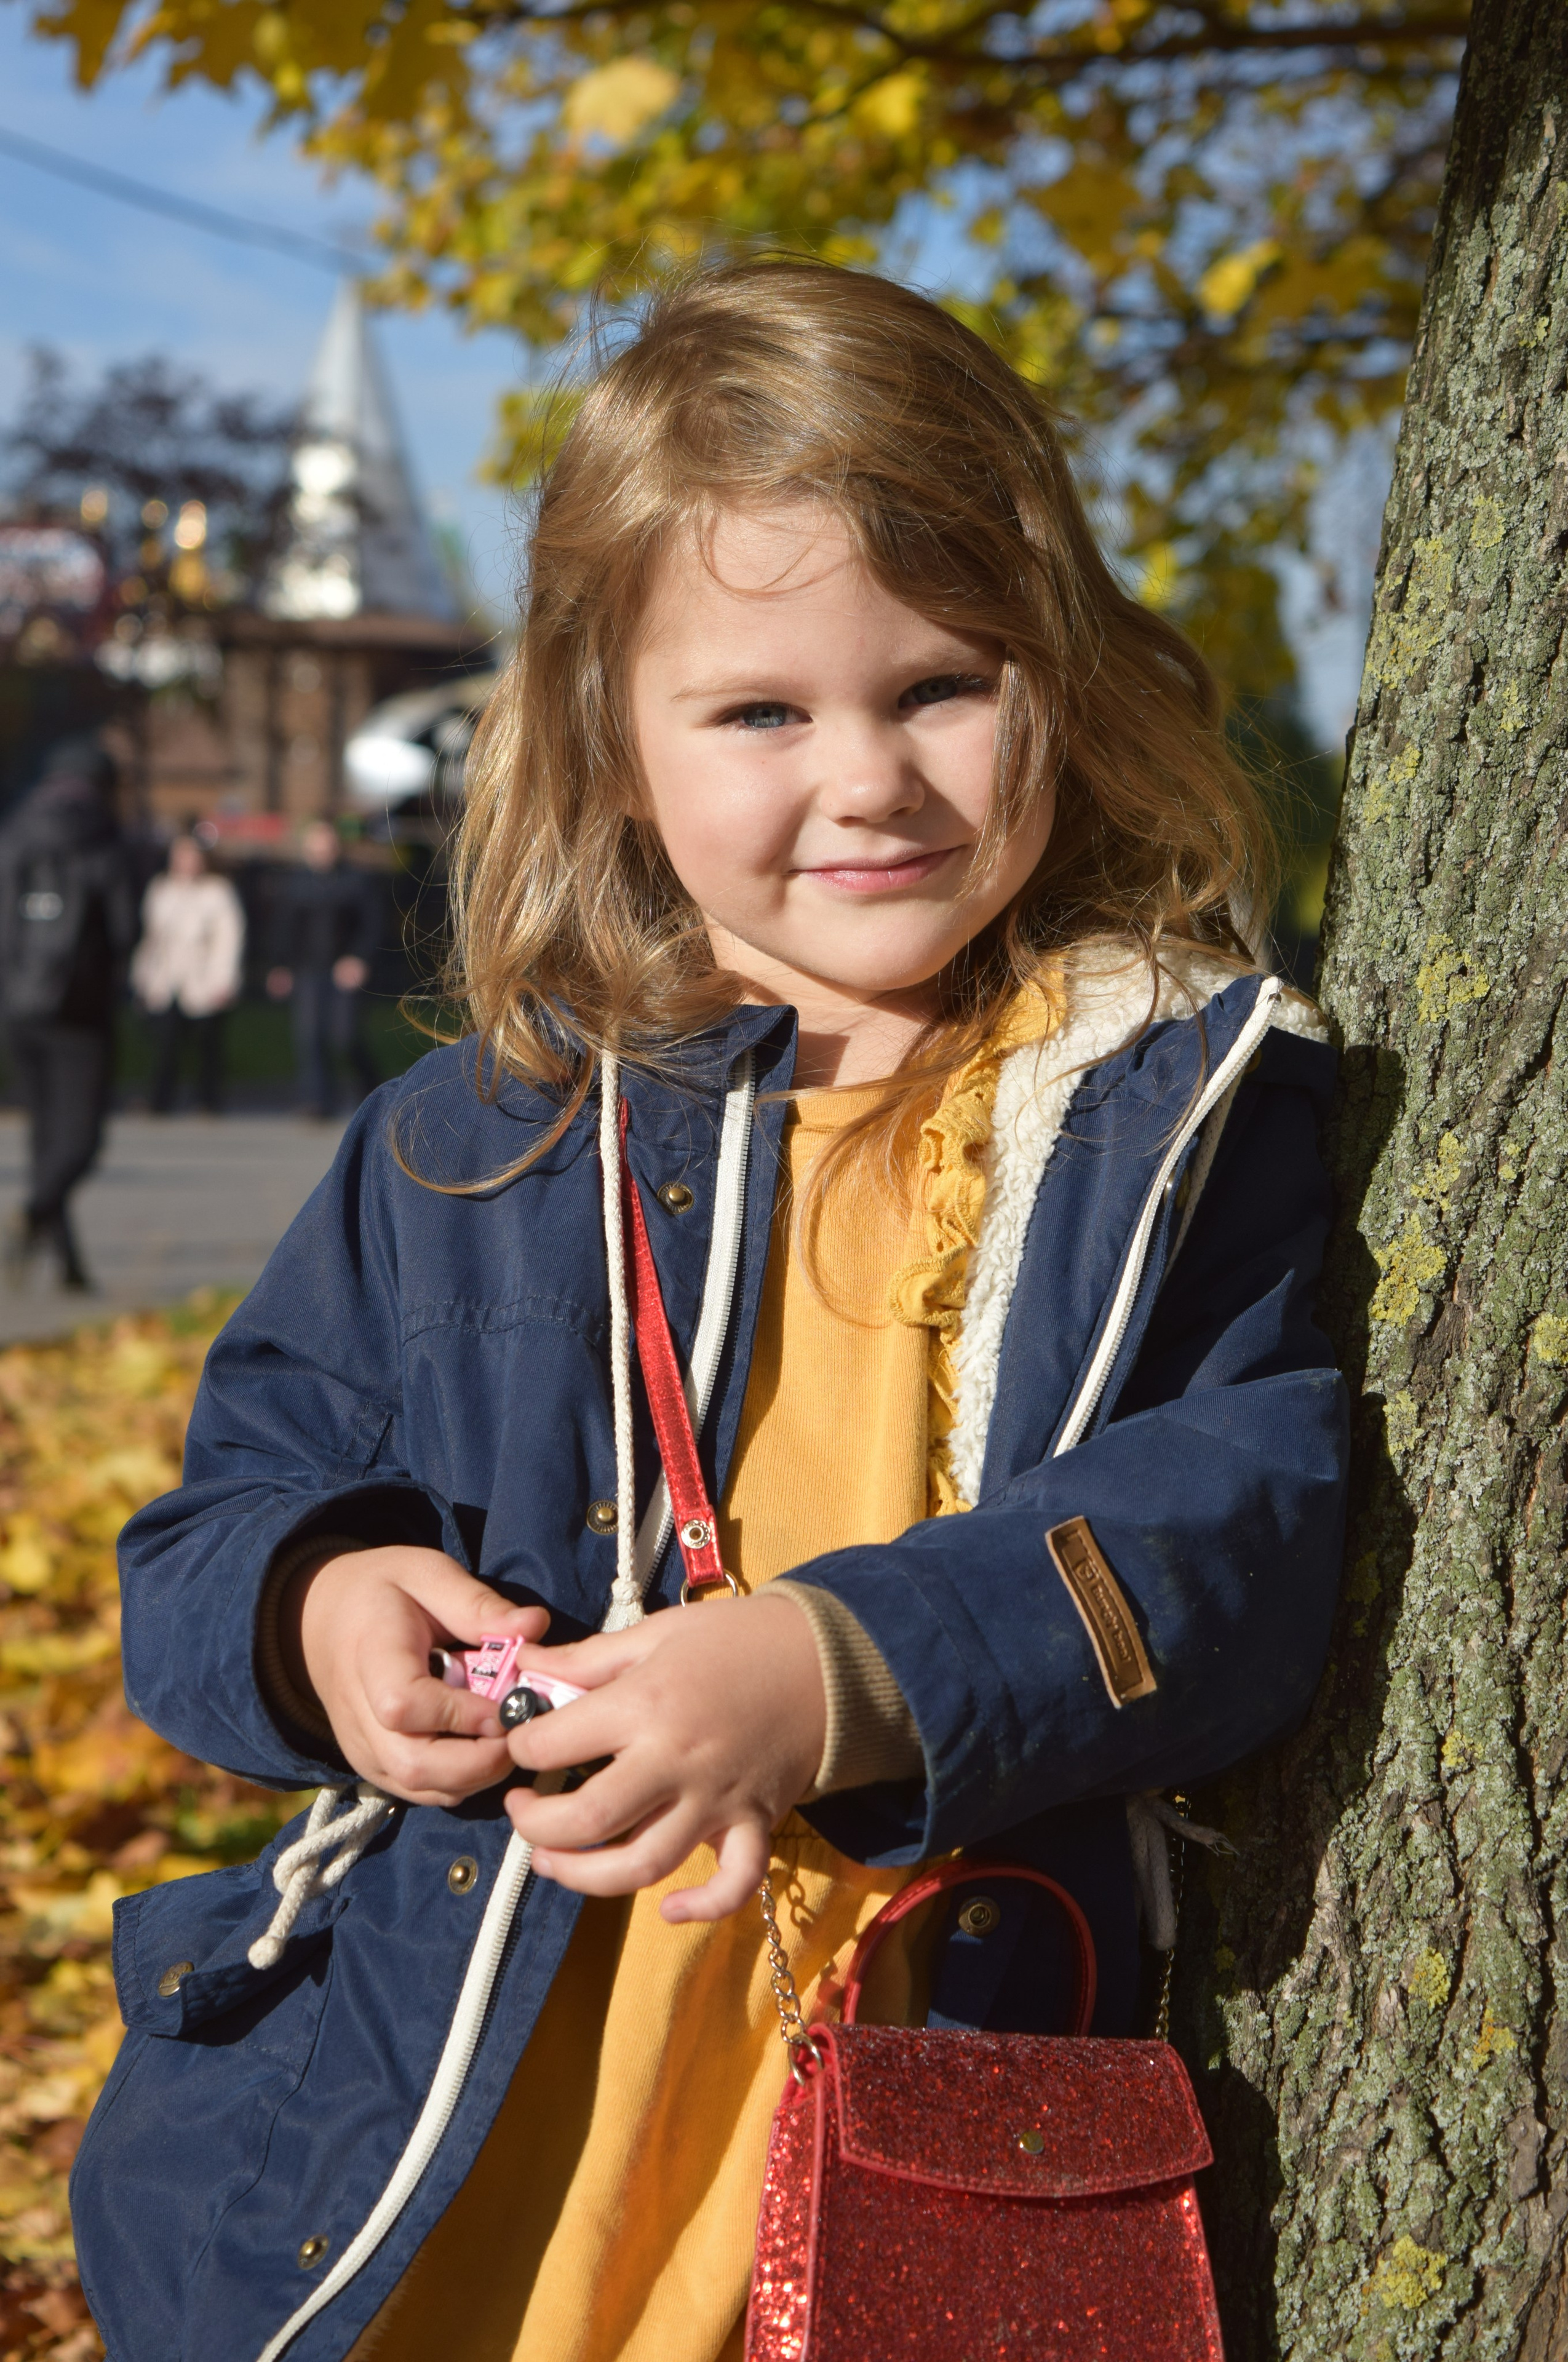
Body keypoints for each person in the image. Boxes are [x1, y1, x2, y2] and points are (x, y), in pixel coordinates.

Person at [75, 263, 1349, 2362]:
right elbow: (218, 1526)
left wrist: (846, 1670)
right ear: (612, 737)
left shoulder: (1163, 1101)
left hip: (912, 2077)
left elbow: (1249, 1515)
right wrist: (323, 1610)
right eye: (760, 712)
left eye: (942, 684)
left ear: (1067, 680)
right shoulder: (475, 1138)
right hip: (451, 2111)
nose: (867, 779)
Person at [0, 735, 135, 1291]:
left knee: (46, 1136)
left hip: (19, 1006)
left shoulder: (15, 832)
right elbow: (125, 929)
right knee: (80, 1140)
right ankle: (37, 1212)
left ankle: (69, 1267)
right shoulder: (104, 839)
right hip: (81, 1011)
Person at [266, 817, 382, 1118]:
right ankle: (318, 1101)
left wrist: (359, 958)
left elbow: (372, 926)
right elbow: (283, 929)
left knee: (345, 1035)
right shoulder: (295, 884)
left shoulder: (356, 881)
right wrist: (280, 966)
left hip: (344, 970)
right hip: (307, 969)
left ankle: (374, 1091)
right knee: (310, 1036)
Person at [130, 832, 245, 1115]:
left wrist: (224, 980)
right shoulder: (161, 889)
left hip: (205, 980)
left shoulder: (218, 891)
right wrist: (143, 976)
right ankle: (159, 1100)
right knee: (166, 1043)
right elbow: (151, 938)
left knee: (207, 1045)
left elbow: (229, 939)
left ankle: (207, 1100)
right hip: (168, 980)